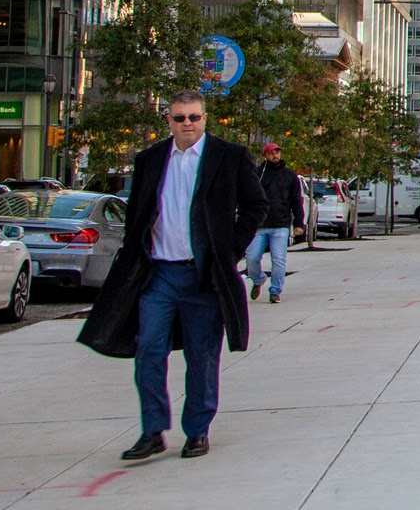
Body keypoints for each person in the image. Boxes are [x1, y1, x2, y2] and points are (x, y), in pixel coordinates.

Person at [77, 90, 267, 461]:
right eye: (179, 118)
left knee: (201, 355)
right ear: (169, 120)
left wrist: (229, 252)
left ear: (204, 118)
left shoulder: (228, 157)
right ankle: (152, 430)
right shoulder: (150, 160)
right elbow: (139, 213)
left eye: (194, 117)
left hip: (203, 277)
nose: (187, 125)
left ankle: (197, 430)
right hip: (158, 274)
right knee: (148, 347)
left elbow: (256, 205)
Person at [247, 142, 302, 304]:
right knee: (252, 257)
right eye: (271, 153)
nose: (275, 156)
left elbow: (295, 201)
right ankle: (258, 279)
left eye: (277, 152)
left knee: (278, 259)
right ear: (265, 155)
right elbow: (248, 198)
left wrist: (299, 223)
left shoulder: (289, 176)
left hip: (281, 224)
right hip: (260, 225)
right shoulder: (258, 174)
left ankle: (275, 291)